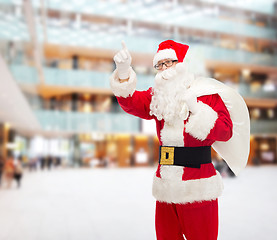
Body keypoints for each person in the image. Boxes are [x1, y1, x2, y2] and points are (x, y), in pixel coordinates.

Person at [110, 40, 250, 240]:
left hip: (198, 188)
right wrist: (123, 73)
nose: (164, 69)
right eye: (160, 65)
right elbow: (131, 102)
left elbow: (226, 131)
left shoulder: (206, 95)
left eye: (169, 62)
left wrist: (198, 110)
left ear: (182, 63)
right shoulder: (157, 97)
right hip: (165, 188)